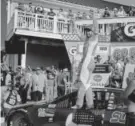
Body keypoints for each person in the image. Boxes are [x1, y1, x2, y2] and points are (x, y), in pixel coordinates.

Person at [72, 12, 99, 109]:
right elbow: (78, 33)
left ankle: (79, 105)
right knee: (87, 84)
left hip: (89, 62)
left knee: (83, 83)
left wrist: (94, 17)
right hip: (85, 62)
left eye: (89, 31)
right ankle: (90, 105)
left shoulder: (94, 38)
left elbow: (96, 27)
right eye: (87, 31)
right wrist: (74, 23)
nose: (88, 32)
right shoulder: (86, 40)